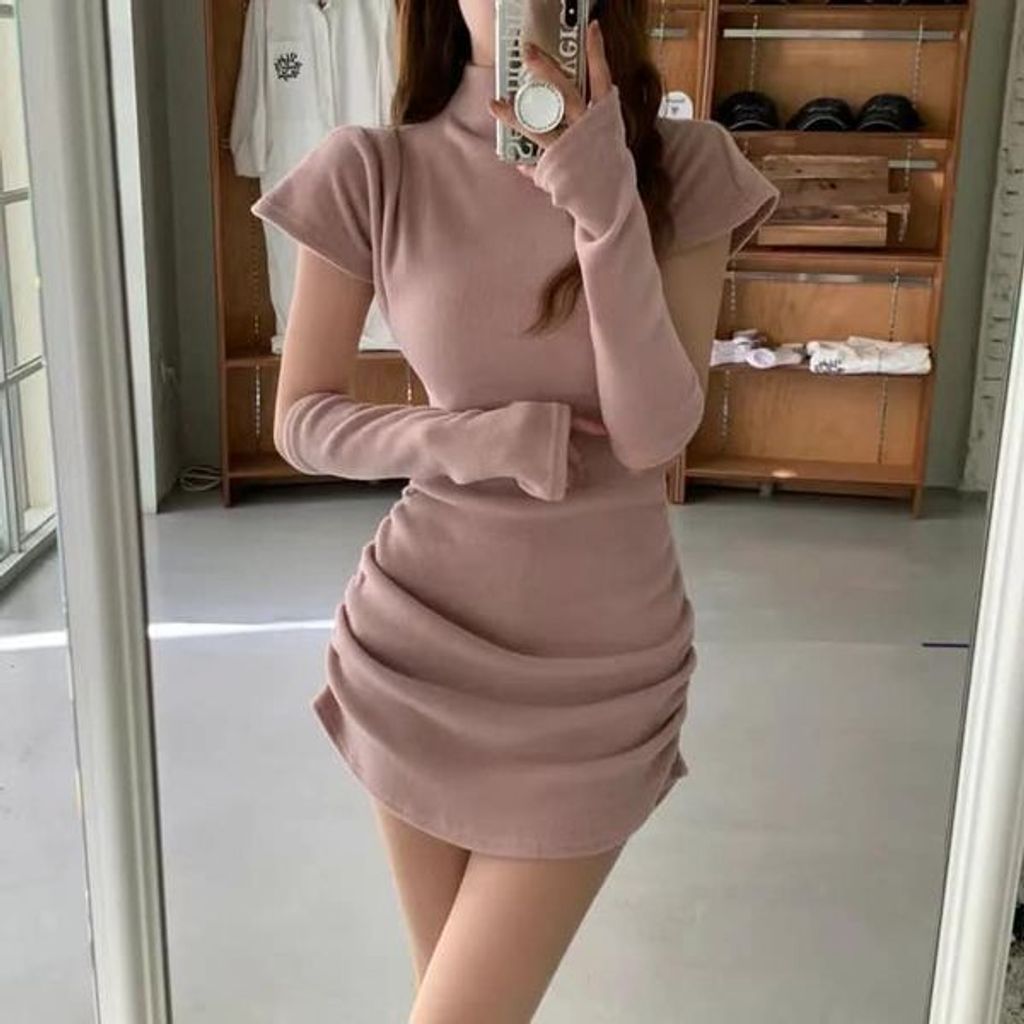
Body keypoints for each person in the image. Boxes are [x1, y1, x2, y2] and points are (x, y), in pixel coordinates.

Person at [250, 2, 779, 1020]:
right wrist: (469, 440)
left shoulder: (685, 164)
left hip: (597, 677)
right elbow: (302, 421)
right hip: (420, 647)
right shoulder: (373, 169)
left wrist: (604, 206)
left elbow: (654, 437)